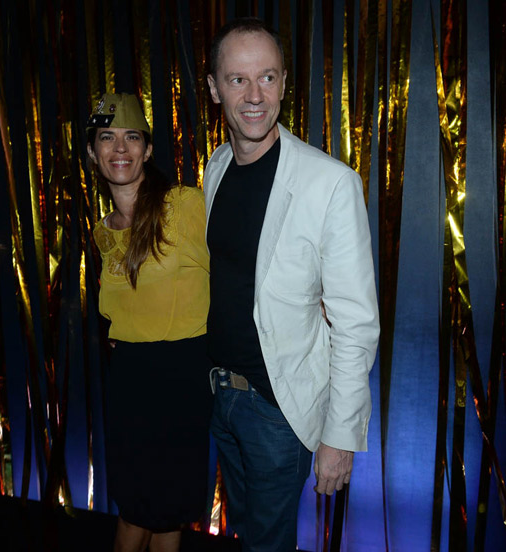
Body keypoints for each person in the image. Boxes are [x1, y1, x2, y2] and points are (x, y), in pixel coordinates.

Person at [203, 17, 380, 551]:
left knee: (267, 544)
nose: (255, 95)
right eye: (237, 80)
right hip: (219, 398)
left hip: (277, 410)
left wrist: (339, 437)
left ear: (284, 83)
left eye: (269, 78)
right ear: (214, 88)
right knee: (245, 534)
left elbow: (356, 322)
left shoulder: (329, 183)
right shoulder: (215, 166)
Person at [87, 93, 212, 552]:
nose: (120, 149)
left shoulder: (185, 206)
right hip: (129, 385)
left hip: (180, 380)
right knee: (136, 508)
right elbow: (115, 311)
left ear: (149, 149)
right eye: (107, 137)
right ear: (92, 152)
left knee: (165, 514)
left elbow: (241, 272)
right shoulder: (103, 230)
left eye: (131, 137)